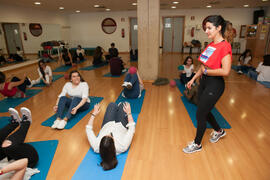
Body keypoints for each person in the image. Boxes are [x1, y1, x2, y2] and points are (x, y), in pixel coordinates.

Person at [183, 15, 232, 154]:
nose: (206, 31)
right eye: (206, 28)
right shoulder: (211, 45)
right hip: (204, 82)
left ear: (219, 28)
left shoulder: (224, 46)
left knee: (200, 114)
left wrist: (207, 72)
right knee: (204, 109)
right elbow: (203, 66)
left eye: (209, 28)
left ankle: (197, 144)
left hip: (215, 85)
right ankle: (219, 131)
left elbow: (226, 71)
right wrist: (193, 79)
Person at [86, 102, 135, 170]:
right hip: (121, 125)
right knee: (122, 105)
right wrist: (129, 113)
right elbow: (131, 128)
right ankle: (119, 107)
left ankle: (116, 109)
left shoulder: (96, 146)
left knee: (112, 105)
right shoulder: (123, 146)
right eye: (111, 136)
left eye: (105, 135)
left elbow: (88, 129)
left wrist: (94, 114)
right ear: (113, 145)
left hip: (107, 124)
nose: (109, 133)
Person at [0, 107, 39, 179]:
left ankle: (14, 123)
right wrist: (1, 171)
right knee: (7, 145)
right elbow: (23, 162)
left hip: (5, 158)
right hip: (28, 159)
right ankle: (26, 122)